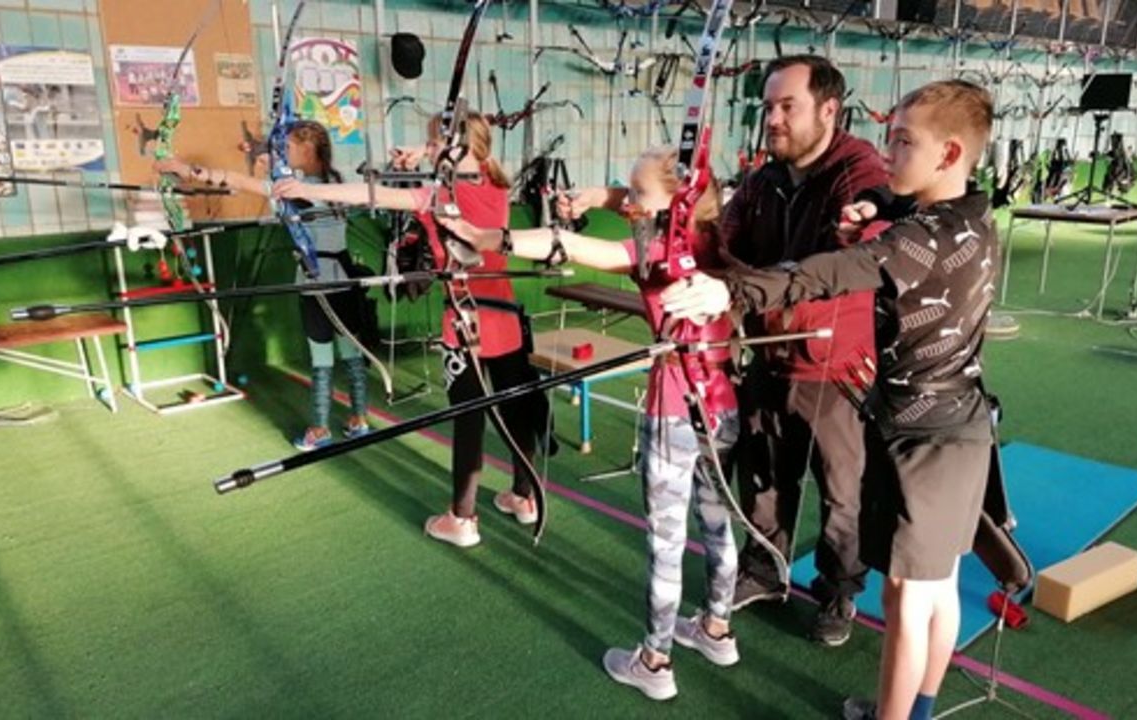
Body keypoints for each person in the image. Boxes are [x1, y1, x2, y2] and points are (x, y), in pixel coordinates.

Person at [660, 79, 1000, 720]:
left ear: (950, 154)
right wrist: (875, 203)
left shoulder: (923, 239)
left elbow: (831, 271)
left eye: (903, 142)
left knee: (906, 599)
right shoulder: (970, 215)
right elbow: (886, 208)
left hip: (923, 438)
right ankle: (917, 712)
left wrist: (729, 295)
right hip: (962, 426)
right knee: (939, 587)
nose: (888, 153)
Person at [566, 54, 889, 645]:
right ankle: (766, 569)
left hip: (834, 364)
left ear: (829, 110)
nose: (772, 118)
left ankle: (838, 593)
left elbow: (850, 254)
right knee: (765, 479)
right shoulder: (766, 181)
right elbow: (708, 229)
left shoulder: (858, 170)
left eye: (786, 106)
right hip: (767, 353)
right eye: (767, 106)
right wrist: (614, 199)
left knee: (843, 490)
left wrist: (859, 222)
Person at [440, 146, 741, 702]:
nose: (631, 207)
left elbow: (573, 244)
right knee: (718, 522)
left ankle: (655, 660)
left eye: (640, 196)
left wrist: (493, 240)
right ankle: (717, 629)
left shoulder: (656, 250)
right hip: (723, 401)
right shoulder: (724, 236)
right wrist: (602, 196)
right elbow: (635, 210)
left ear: (677, 204)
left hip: (675, 404)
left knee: (669, 541)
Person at [272, 112, 550, 549]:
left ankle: (462, 519)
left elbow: (371, 194)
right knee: (513, 407)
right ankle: (524, 495)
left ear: (452, 150)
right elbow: (467, 160)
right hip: (506, 318)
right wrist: (427, 150)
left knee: (469, 419)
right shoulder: (496, 183)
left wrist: (307, 189)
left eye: (436, 143)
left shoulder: (436, 196)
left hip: (465, 321)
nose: (429, 149)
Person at [155, 120, 372, 452]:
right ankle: (358, 420)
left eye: (288, 148)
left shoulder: (304, 191)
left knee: (324, 358)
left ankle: (320, 428)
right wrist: (267, 164)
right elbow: (271, 184)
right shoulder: (331, 183)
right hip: (339, 280)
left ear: (308, 149)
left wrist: (185, 169)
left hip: (322, 283)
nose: (283, 153)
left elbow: (245, 183)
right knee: (350, 354)